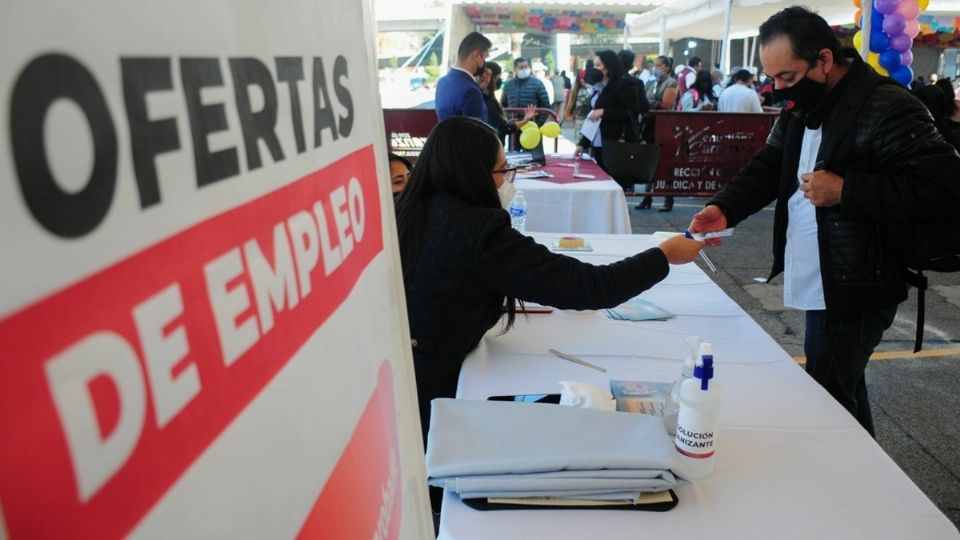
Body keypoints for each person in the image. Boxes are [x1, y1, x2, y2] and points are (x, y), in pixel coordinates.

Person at [688, 6, 960, 436]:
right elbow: (772, 162)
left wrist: (848, 191)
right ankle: (873, 486)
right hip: (823, 276)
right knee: (841, 391)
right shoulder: (804, 104)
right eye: (772, 78)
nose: (778, 90)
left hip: (860, 283)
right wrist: (726, 206)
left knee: (828, 396)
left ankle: (851, 490)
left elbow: (946, 186)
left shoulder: (886, 105)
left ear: (825, 60)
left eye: (788, 78)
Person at [397, 115, 704, 445]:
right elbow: (590, 287)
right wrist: (664, 255)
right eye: (502, 171)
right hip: (431, 396)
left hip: (399, 380)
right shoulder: (478, 232)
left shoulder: (404, 210)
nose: (507, 182)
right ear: (473, 173)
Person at [574, 50, 643, 173]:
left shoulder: (625, 85)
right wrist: (583, 143)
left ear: (609, 66)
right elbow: (593, 117)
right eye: (594, 65)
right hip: (597, 143)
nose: (595, 69)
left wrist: (604, 112)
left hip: (617, 144)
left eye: (598, 65)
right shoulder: (598, 87)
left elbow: (631, 114)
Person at [639, 55, 677, 211]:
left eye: (659, 65)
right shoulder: (651, 82)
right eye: (655, 65)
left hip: (665, 127)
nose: (656, 68)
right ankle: (647, 197)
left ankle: (669, 199)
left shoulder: (671, 82)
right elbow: (642, 101)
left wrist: (650, 104)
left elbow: (666, 105)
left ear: (667, 67)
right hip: (650, 126)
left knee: (666, 163)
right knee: (650, 162)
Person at [434, 32, 491, 121]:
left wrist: (479, 89)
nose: (484, 63)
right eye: (485, 57)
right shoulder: (470, 91)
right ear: (476, 55)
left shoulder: (442, 82)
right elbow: (478, 132)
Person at [478, 61, 537, 140]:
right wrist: (525, 121)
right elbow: (504, 129)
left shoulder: (487, 97)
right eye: (497, 79)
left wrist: (505, 121)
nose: (499, 82)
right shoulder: (486, 100)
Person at [564, 64, 597, 144]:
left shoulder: (577, 91)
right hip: (586, 125)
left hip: (579, 124)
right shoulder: (585, 92)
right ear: (582, 80)